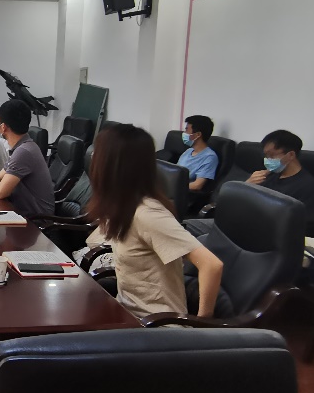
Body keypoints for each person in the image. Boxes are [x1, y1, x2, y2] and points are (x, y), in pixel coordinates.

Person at [85, 124, 224, 319]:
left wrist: (200, 326)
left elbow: (212, 265)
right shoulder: (123, 205)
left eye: (97, 155)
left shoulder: (147, 214)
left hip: (156, 325)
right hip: (127, 312)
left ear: (113, 165)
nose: (92, 159)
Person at [0, 99, 55, 217]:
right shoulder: (21, 147)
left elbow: (1, 192)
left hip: (35, 220)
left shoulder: (23, 152)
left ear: (3, 127)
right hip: (20, 212)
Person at [246, 130, 314, 223]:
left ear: (291, 155)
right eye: (266, 156)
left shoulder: (309, 186)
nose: (267, 160)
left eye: (271, 155)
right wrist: (247, 185)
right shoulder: (268, 175)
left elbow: (301, 222)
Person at [177, 115, 219, 192]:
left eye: (187, 130)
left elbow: (197, 185)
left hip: (183, 193)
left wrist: (174, 185)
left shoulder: (210, 157)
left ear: (198, 134)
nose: (184, 133)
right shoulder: (188, 151)